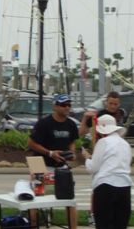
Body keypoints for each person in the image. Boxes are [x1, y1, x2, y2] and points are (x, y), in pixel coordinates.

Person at [27, 93, 79, 229]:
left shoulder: (71, 124)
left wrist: (71, 153)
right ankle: (34, 224)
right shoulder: (44, 123)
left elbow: (72, 142)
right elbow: (31, 143)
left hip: (61, 165)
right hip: (40, 162)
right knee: (35, 199)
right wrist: (50, 153)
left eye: (69, 105)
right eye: (63, 105)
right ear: (55, 107)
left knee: (69, 199)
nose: (67, 107)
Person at [78, 90, 127, 225]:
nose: (113, 106)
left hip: (114, 153)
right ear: (106, 102)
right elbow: (81, 132)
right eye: (111, 103)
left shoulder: (121, 115)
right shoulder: (99, 115)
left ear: (119, 104)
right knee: (97, 185)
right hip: (99, 150)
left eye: (115, 104)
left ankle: (106, 216)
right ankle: (93, 214)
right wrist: (85, 118)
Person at [82, 114, 134, 229]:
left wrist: (87, 158)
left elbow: (93, 168)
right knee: (120, 224)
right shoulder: (125, 144)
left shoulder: (103, 142)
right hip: (124, 186)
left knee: (103, 224)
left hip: (105, 186)